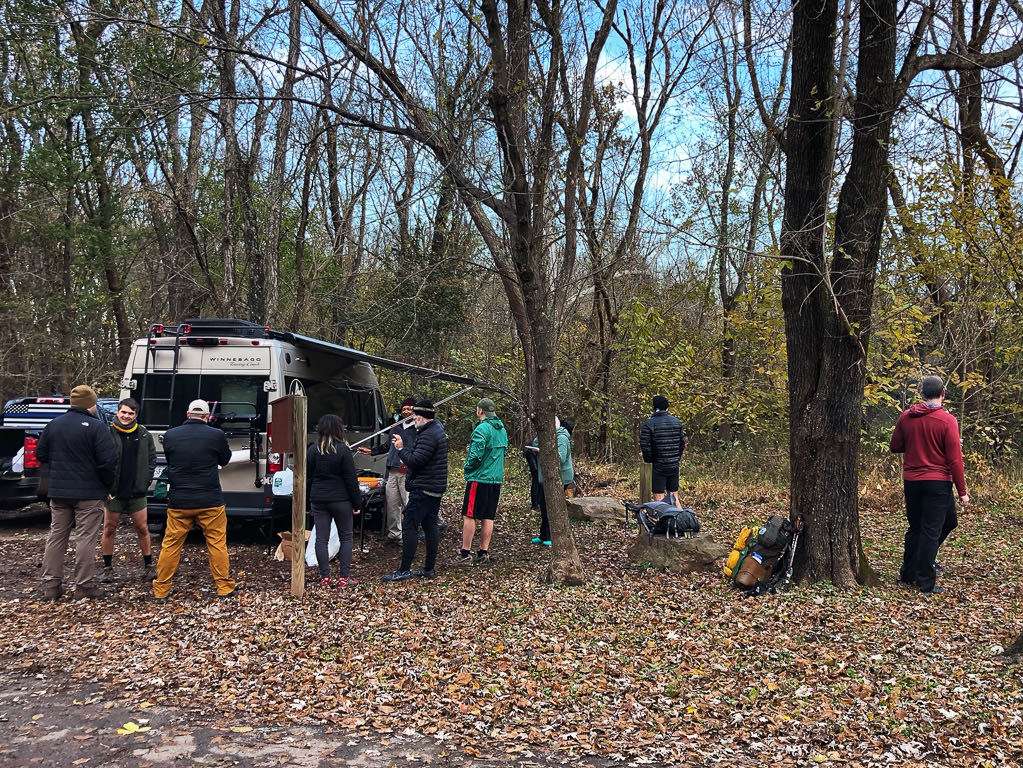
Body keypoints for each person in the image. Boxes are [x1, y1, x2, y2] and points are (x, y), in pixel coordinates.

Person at [36, 385, 118, 601]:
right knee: (85, 538)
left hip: (59, 491)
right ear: (91, 404)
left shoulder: (53, 425)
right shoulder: (97, 427)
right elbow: (108, 461)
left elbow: (40, 454)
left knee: (56, 536)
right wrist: (107, 486)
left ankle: (51, 586)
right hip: (89, 493)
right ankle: (84, 585)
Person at [890, 375, 969, 595]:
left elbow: (895, 446)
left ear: (922, 393)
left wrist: (918, 442)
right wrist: (962, 492)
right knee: (929, 531)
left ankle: (909, 572)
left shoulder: (907, 417)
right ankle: (924, 582)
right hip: (937, 482)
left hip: (913, 481)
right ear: (943, 393)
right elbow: (955, 460)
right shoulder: (947, 420)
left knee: (940, 523)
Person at [153, 399, 236, 602]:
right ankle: (224, 587)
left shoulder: (171, 435)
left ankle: (161, 590)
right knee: (217, 544)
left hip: (179, 500)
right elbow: (225, 460)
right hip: (210, 500)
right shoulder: (216, 435)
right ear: (207, 416)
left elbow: (171, 460)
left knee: (171, 545)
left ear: (188, 414)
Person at [382, 400, 448, 581]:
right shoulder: (435, 430)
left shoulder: (429, 435)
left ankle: (404, 570)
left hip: (424, 488)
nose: (414, 418)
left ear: (422, 416)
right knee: (430, 526)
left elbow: (415, 461)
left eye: (416, 415)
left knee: (409, 525)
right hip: (433, 487)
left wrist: (400, 448)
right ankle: (428, 569)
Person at [100, 398, 158, 583]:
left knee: (142, 528)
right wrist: (105, 485)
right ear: (117, 412)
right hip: (114, 492)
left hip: (137, 491)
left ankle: (148, 566)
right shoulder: (107, 432)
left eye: (130, 413)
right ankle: (107, 568)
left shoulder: (143, 434)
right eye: (123, 412)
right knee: (109, 529)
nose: (126, 416)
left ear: (136, 415)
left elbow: (152, 459)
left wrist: (146, 480)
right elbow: (100, 460)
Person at [307, 414, 361, 587]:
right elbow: (351, 479)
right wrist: (357, 503)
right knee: (346, 537)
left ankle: (325, 577)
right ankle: (344, 578)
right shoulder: (343, 450)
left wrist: (308, 502)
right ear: (339, 429)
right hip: (341, 499)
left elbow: (308, 478)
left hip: (319, 499)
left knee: (321, 539)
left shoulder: (313, 450)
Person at [455, 398, 508, 566]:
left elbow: (476, 456)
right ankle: (483, 552)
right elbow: (503, 452)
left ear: (480, 411)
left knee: (469, 515)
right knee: (488, 516)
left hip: (479, 478)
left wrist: (467, 468)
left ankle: (465, 553)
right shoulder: (502, 430)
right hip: (495, 479)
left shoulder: (482, 429)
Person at [357, 397, 415, 544]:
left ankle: (410, 535)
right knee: (392, 504)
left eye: (409, 409)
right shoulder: (396, 427)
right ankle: (395, 534)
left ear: (414, 411)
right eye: (404, 409)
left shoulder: (418, 429)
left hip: (407, 472)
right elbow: (386, 446)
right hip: (393, 471)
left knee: (409, 504)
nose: (406, 411)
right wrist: (371, 451)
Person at [529, 416, 574, 546]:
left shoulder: (562, 438)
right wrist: (541, 437)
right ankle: (543, 535)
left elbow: (560, 458)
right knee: (543, 504)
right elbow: (535, 443)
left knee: (550, 505)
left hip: (561, 477)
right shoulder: (548, 437)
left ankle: (550, 536)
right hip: (545, 477)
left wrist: (543, 452)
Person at [639, 395, 686, 503]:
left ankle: (662, 515)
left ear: (654, 407)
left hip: (658, 466)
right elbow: (682, 444)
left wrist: (650, 461)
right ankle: (679, 514)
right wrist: (676, 458)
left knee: (659, 498)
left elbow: (645, 446)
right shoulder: (677, 422)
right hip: (674, 465)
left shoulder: (649, 424)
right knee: (674, 497)